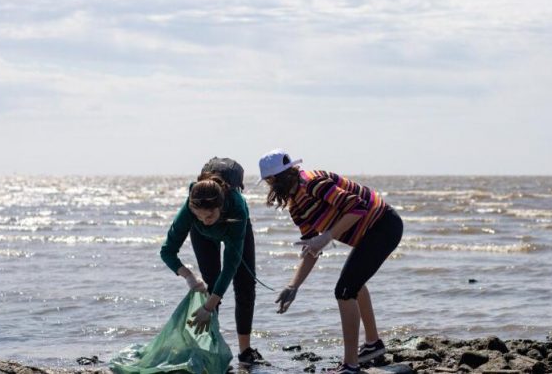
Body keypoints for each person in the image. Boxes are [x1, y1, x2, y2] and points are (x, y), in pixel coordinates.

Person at [258, 149, 403, 374]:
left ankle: (350, 366)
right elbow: (310, 249)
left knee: (345, 291)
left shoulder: (313, 183)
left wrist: (327, 236)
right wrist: (293, 286)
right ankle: (373, 345)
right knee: (353, 284)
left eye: (270, 181)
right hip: (371, 233)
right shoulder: (296, 206)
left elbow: (358, 207)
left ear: (275, 179)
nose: (271, 187)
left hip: (384, 225)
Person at [159, 159, 266, 367]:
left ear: (220, 206)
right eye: (199, 216)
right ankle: (211, 350)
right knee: (211, 282)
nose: (204, 220)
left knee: (245, 284)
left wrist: (208, 307)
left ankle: (245, 351)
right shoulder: (192, 211)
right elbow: (167, 251)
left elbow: (232, 264)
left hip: (233, 227)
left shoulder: (237, 208)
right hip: (203, 237)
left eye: (209, 216)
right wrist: (189, 277)